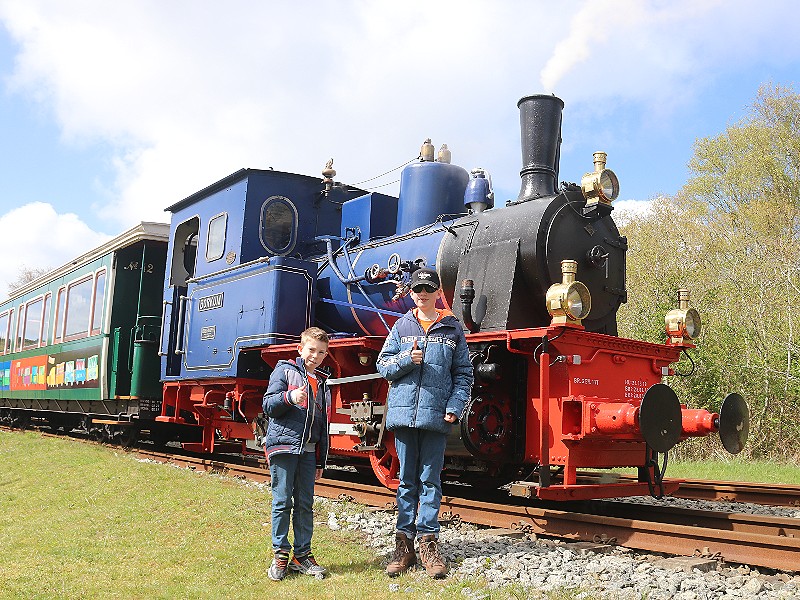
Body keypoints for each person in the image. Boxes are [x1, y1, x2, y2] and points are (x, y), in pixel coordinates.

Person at [376, 267, 473, 579]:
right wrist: (407, 360)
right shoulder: (401, 325)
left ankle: (428, 543)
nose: (422, 294)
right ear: (412, 293)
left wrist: (455, 405)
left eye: (428, 289)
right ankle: (403, 545)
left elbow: (463, 374)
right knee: (406, 482)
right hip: (405, 417)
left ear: (436, 292)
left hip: (435, 416)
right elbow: (383, 365)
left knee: (430, 481)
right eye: (417, 289)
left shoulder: (451, 329)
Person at [262, 326, 331, 581]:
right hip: (285, 446)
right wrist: (290, 397)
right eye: (312, 350)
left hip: (309, 451)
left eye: (322, 352)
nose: (316, 355)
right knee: (282, 501)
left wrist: (321, 460)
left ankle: (302, 555)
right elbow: (268, 405)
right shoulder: (284, 370)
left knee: (305, 504)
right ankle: (280, 554)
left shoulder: (323, 383)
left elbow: (323, 425)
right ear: (300, 349)